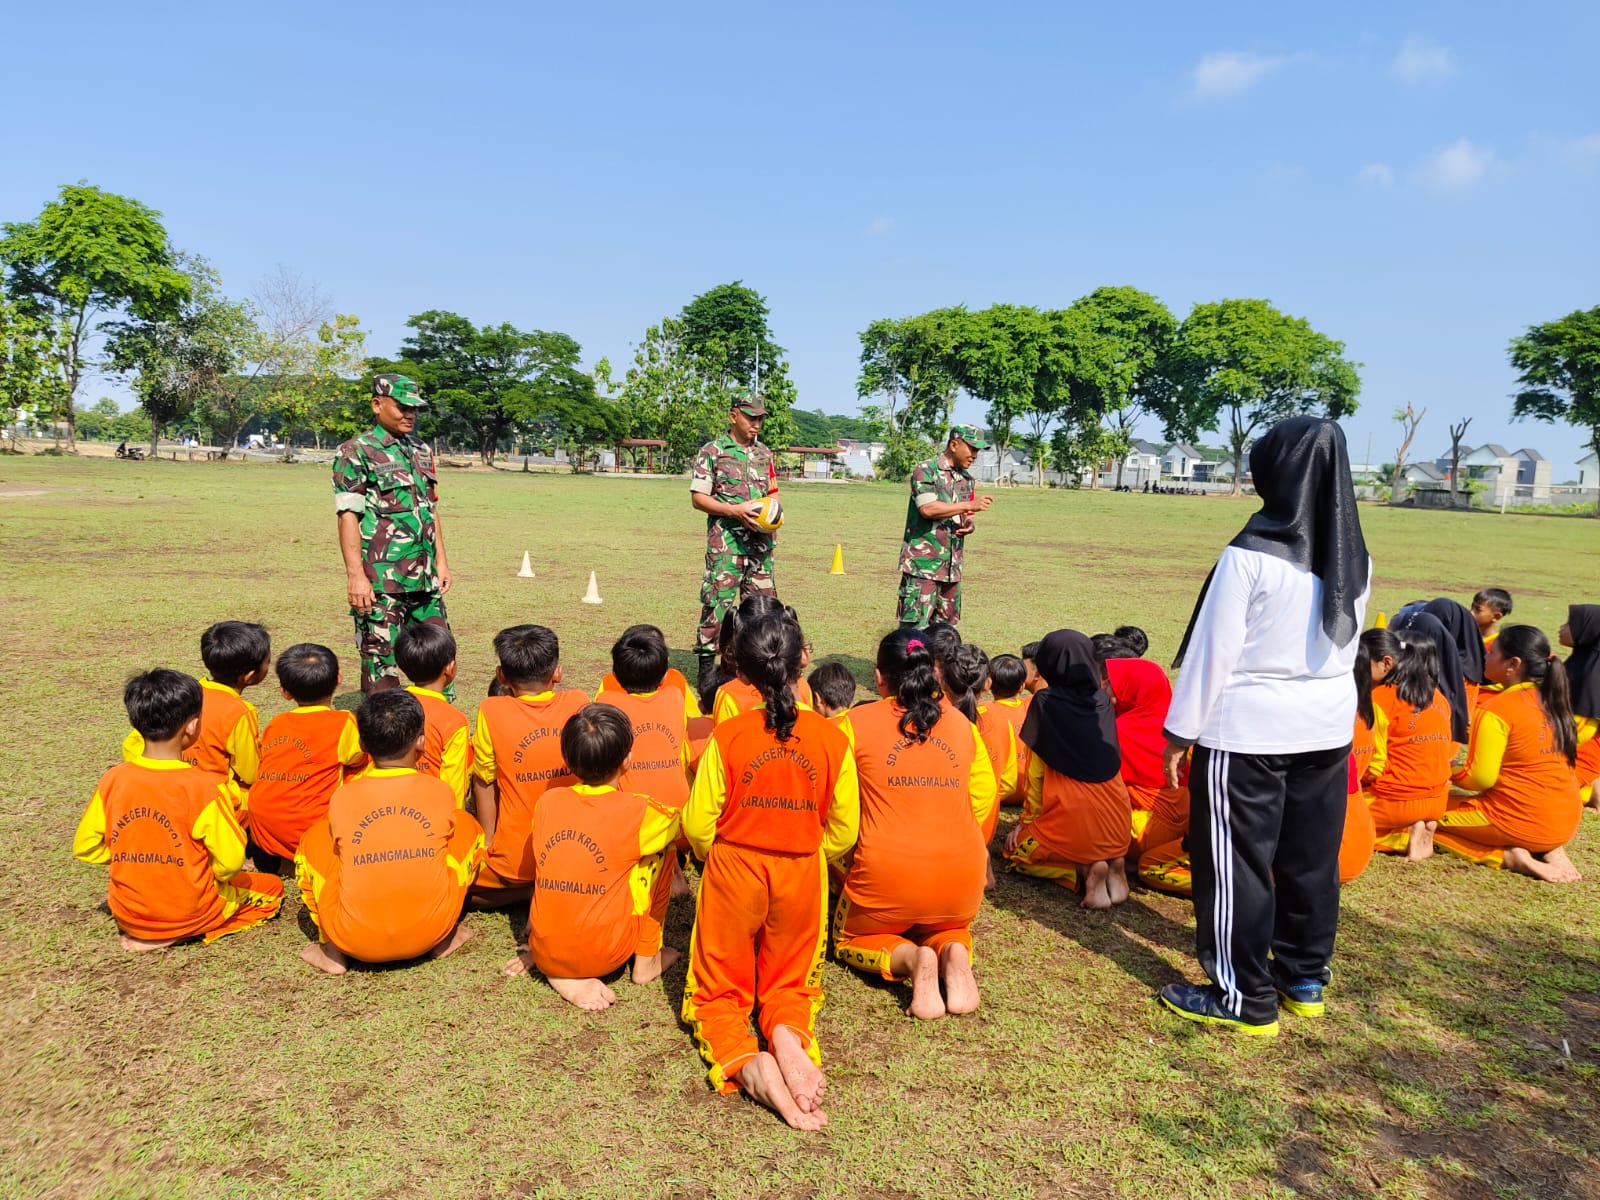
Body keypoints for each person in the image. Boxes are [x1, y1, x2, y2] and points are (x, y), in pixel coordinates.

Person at [1157, 415, 1370, 1037]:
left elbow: (1212, 652)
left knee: (1236, 865)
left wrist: (1180, 732)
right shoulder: (1355, 554)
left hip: (1248, 733)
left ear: (1274, 472)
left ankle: (1241, 995)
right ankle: (1303, 976)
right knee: (1310, 858)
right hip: (1327, 730)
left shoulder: (1248, 555)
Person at [681, 612, 859, 1132]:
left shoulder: (730, 734)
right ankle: (785, 1033)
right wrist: (807, 853)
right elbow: (845, 830)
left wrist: (719, 857)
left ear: (745, 672)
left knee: (717, 991)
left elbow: (697, 821)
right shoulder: (832, 739)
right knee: (789, 979)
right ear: (801, 660)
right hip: (802, 871)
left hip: (735, 866)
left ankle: (746, 1059)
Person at [835, 630, 996, 1018]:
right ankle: (952, 948)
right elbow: (985, 798)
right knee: (947, 924)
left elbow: (835, 804)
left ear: (878, 677)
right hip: (962, 878)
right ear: (934, 673)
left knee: (848, 938)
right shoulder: (963, 725)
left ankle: (910, 960)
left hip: (885, 875)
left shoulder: (850, 724)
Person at [75, 670, 283, 950]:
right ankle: (186, 931)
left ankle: (156, 929)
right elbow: (231, 862)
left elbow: (85, 847)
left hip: (126, 913)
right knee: (273, 890)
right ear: (192, 726)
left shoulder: (113, 779)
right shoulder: (204, 787)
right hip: (188, 911)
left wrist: (137, 856)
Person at [504, 705, 682, 1007]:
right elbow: (680, 824)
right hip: (606, 955)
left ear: (569, 760)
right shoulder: (640, 812)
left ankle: (553, 959)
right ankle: (647, 959)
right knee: (663, 852)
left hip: (544, 946)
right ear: (627, 760)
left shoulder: (548, 801)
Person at [295, 690, 483, 974]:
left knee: (315, 839)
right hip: (433, 932)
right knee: (467, 826)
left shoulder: (344, 796)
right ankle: (449, 934)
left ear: (361, 743)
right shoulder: (439, 791)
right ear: (421, 743)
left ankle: (330, 949)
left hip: (350, 940)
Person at [333, 373, 452, 693]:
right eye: (402, 407)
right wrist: (355, 576)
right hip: (381, 582)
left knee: (439, 659)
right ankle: (383, 736)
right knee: (380, 665)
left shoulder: (421, 450)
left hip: (425, 579)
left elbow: (431, 508)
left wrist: (441, 561)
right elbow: (348, 516)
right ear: (377, 404)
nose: (410, 414)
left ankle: (436, 732)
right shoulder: (355, 451)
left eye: (415, 409)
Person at [1434, 625, 1582, 882]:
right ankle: (1547, 848)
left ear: (1513, 664)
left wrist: (1447, 769)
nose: (1485, 657)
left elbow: (1479, 779)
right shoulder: (1554, 699)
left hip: (1519, 820)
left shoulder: (1497, 709)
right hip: (1565, 821)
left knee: (1421, 817)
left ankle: (1510, 857)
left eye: (1492, 652)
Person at [1003, 630, 1133, 909]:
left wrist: (1026, 824)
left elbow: (1035, 776)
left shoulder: (1046, 703)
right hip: (1119, 820)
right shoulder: (1103, 702)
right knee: (1102, 840)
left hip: (1072, 819)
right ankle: (1115, 864)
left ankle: (1081, 870)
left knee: (1015, 855)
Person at [469, 625, 588, 905]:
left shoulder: (491, 711)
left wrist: (488, 841)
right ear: (557, 673)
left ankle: (527, 892)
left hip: (515, 864)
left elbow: (484, 780)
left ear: (502, 676)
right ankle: (555, 886)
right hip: (577, 853)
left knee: (459, 886)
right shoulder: (579, 701)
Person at [121, 620, 271, 821]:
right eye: (268, 661)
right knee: (261, 795)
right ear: (250, 676)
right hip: (211, 801)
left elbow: (133, 745)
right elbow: (250, 773)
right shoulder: (239, 711)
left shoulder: (181, 694)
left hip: (166, 789)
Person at [689, 391, 778, 697]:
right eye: (751, 417)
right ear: (733, 416)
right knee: (717, 606)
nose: (756, 424)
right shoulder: (713, 451)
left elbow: (773, 494)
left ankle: (759, 672)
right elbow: (698, 498)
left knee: (764, 611)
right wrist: (735, 511)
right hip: (726, 545)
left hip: (760, 547)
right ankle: (706, 674)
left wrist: (774, 515)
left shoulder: (765, 454)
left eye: (760, 419)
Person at [248, 644, 367, 862]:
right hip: (308, 832)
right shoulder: (343, 723)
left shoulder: (276, 723)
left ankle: (279, 860)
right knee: (368, 765)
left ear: (284, 692)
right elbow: (358, 757)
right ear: (339, 678)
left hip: (262, 829)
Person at [1358, 629, 1454, 861]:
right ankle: (1413, 828)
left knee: (1338, 824)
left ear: (1386, 663)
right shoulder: (1437, 696)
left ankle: (1401, 836)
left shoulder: (1379, 698)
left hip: (1395, 800)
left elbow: (1374, 765)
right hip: (1438, 799)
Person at [896, 426, 993, 628]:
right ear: (954, 444)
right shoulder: (925, 470)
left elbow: (961, 516)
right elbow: (928, 509)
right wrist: (968, 505)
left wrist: (968, 524)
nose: (975, 455)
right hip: (923, 568)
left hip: (952, 569)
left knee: (946, 637)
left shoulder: (966, 480)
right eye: (972, 449)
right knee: (914, 633)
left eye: (978, 451)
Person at [594, 624, 693, 815]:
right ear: (665, 674)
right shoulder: (675, 694)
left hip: (629, 815)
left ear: (615, 674)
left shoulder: (607, 700)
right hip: (677, 815)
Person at [394, 623, 473, 806]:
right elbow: (453, 787)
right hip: (432, 813)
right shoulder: (454, 720)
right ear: (450, 668)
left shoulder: (386, 706)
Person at [1560, 605, 1600, 808]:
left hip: (1582, 750)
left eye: (1569, 624)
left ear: (1587, 630)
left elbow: (1580, 733)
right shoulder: (1583, 661)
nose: (1562, 628)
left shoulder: (1592, 676)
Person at [982, 654, 1032, 802]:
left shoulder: (982, 711)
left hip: (998, 792)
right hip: (1027, 790)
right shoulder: (1032, 707)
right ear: (1022, 686)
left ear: (989, 683)